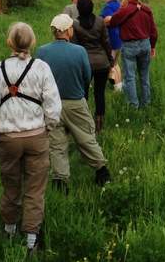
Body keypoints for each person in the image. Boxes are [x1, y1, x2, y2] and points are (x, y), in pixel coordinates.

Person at [0, 22, 62, 255]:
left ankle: (9, 228)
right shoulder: (41, 68)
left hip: (7, 137)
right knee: (35, 188)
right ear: (32, 43)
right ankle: (31, 240)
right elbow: (53, 105)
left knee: (10, 183)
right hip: (37, 135)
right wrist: (48, 126)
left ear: (9, 43)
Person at [37, 14, 111, 190]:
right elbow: (87, 76)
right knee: (86, 138)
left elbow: (38, 78)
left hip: (51, 105)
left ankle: (60, 180)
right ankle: (102, 171)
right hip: (76, 102)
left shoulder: (42, 51)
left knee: (56, 143)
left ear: (54, 31)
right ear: (68, 30)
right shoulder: (79, 51)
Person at [104, 0, 158, 109]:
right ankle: (146, 103)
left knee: (130, 76)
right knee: (144, 76)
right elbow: (154, 31)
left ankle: (133, 105)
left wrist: (108, 19)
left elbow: (113, 21)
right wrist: (153, 46)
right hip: (145, 44)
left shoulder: (125, 9)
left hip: (130, 46)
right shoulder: (146, 9)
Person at [72, 0, 113, 132]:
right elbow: (106, 42)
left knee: (83, 94)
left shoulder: (75, 24)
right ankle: (99, 125)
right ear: (92, 7)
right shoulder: (100, 22)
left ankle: (84, 123)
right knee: (99, 93)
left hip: (85, 64)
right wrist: (110, 59)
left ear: (78, 9)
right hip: (102, 63)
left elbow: (75, 46)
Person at [99, 0, 123, 92]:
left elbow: (108, 21)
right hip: (119, 39)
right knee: (114, 63)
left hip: (111, 39)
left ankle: (116, 87)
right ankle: (117, 85)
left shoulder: (109, 7)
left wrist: (100, 21)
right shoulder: (119, 5)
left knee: (109, 64)